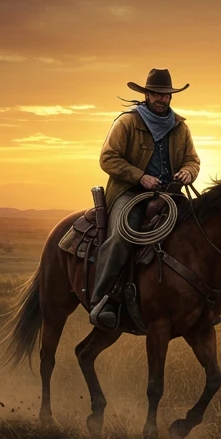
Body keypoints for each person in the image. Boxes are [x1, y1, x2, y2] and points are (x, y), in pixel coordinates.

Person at [88, 68, 200, 328]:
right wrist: (140, 177)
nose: (162, 99)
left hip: (170, 194)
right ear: (147, 95)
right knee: (121, 235)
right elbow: (107, 158)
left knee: (199, 229)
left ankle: (202, 301)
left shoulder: (180, 127)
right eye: (157, 94)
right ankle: (102, 300)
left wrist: (188, 171)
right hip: (130, 193)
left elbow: (192, 160)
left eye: (166, 95)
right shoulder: (127, 122)